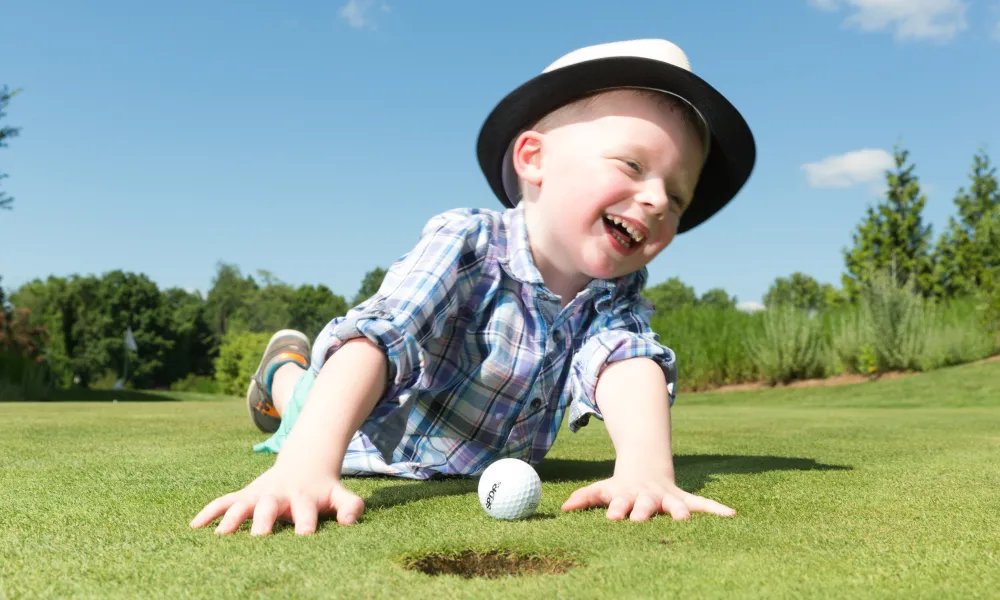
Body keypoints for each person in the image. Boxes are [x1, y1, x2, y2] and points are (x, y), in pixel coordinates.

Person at [190, 38, 756, 536]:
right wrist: (305, 465)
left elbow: (626, 360)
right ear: (534, 158)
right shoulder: (466, 242)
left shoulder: (617, 291)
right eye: (633, 165)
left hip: (477, 459)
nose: (658, 199)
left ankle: (288, 377)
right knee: (304, 400)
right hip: (362, 427)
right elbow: (380, 338)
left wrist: (646, 470)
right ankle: (281, 373)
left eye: (677, 196)